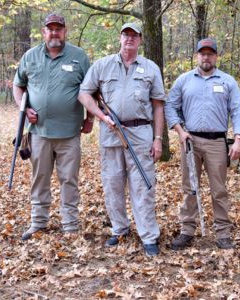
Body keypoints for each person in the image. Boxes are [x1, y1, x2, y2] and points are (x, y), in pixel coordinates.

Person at [78, 23, 165, 257]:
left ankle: (148, 236)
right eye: (126, 34)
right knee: (112, 183)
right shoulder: (102, 65)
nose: (129, 39)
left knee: (143, 186)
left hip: (141, 134)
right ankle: (120, 229)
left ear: (140, 40)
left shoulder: (150, 68)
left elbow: (158, 106)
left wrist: (158, 139)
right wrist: (101, 116)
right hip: (110, 133)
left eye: (134, 35)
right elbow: (84, 94)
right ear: (120, 38)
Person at [13, 13, 92, 240]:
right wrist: (23, 109)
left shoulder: (79, 57)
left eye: (59, 28)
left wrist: (90, 119)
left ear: (65, 31)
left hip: (69, 134)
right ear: (43, 32)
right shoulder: (30, 57)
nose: (55, 32)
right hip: (39, 133)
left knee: (69, 179)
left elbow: (91, 90)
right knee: (40, 178)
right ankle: (38, 222)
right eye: (51, 29)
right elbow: (18, 87)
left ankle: (70, 225)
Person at [165, 38, 240, 250]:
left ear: (216, 56)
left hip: (217, 142)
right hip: (190, 141)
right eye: (203, 53)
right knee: (189, 186)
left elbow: (237, 111)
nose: (206, 57)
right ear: (197, 56)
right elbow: (170, 107)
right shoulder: (184, 80)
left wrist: (238, 139)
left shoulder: (228, 82)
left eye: (210, 53)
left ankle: (223, 233)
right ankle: (187, 230)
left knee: (219, 189)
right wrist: (180, 131)